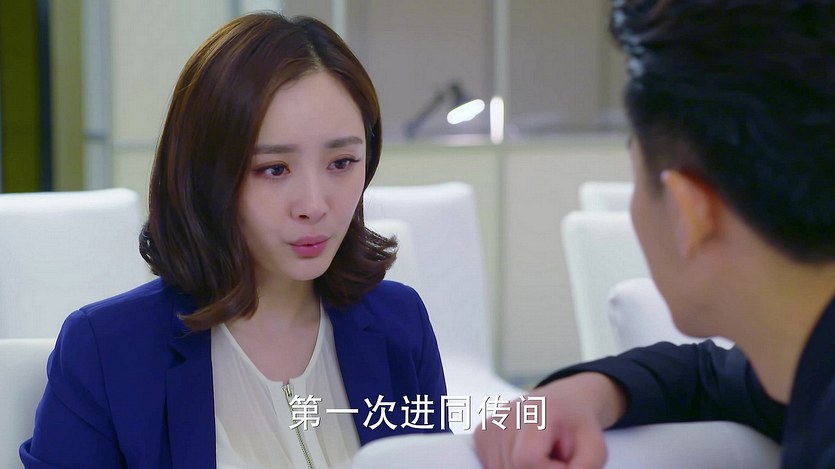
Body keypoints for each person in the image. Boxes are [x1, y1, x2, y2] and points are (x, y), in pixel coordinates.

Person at [21, 12, 447, 469]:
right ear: (206, 175)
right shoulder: (107, 350)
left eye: (342, 163)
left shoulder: (399, 323)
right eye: (274, 169)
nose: (314, 204)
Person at [475, 0, 835, 467]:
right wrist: (587, 392)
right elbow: (709, 376)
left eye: (635, 175)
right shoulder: (805, 361)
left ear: (690, 214)